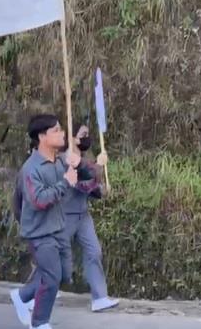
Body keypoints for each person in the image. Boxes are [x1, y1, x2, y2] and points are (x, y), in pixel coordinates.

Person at [9, 114, 80, 329]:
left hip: (58, 227)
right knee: (51, 278)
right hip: (39, 232)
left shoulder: (59, 161)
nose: (62, 133)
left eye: (61, 129)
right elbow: (39, 201)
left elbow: (78, 177)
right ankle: (39, 322)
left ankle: (22, 295)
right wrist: (65, 183)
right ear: (42, 136)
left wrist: (79, 164)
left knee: (63, 274)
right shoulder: (31, 169)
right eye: (56, 130)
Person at [61, 124, 118, 312]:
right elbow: (80, 185)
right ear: (73, 138)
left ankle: (99, 297)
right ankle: (31, 294)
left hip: (83, 215)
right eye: (83, 134)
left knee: (94, 252)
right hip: (64, 215)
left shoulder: (85, 160)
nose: (87, 138)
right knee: (52, 255)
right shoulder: (65, 159)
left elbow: (91, 187)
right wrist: (99, 166)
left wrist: (102, 191)